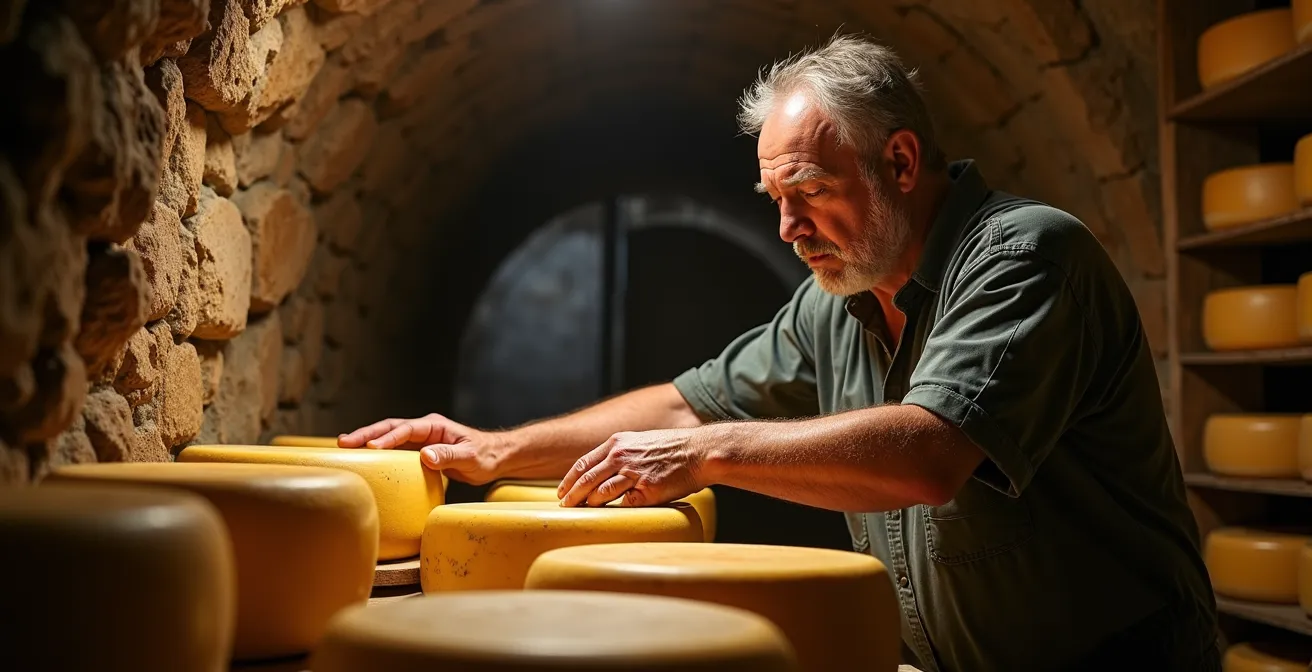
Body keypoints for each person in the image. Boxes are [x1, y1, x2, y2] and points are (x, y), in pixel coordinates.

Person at [339, 34, 1220, 671]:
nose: (789, 229)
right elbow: (689, 404)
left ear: (902, 163)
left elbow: (929, 453)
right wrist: (494, 451)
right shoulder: (832, 304)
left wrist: (707, 457)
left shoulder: (1026, 257)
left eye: (810, 194)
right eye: (773, 198)